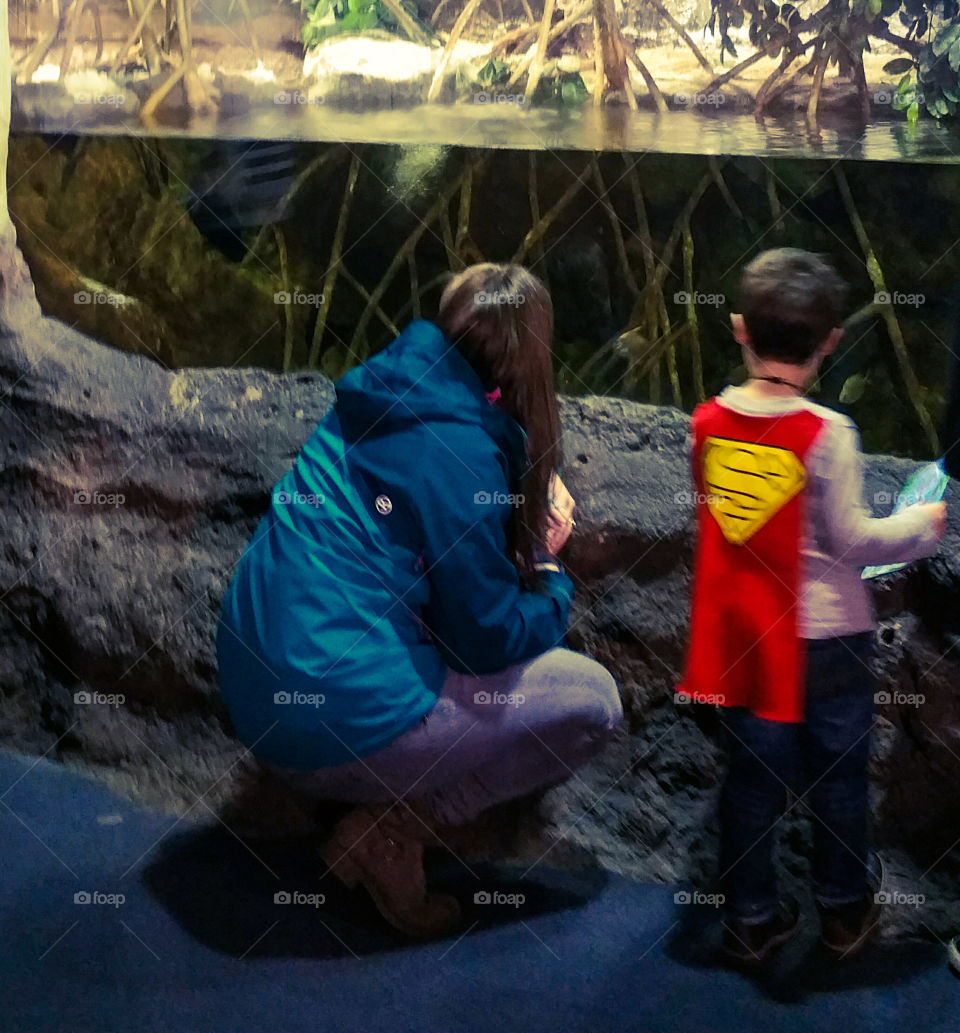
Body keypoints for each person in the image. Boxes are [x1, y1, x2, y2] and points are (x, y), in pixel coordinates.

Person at [216, 263, 622, 938]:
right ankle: (394, 831)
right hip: (327, 728)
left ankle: (379, 824)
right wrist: (550, 569)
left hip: (251, 698)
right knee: (594, 703)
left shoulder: (381, 388)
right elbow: (484, 637)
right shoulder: (462, 451)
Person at [677, 248, 947, 965]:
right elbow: (855, 539)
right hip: (829, 642)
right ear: (832, 339)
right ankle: (842, 913)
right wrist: (923, 527)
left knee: (752, 782)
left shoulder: (706, 420)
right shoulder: (829, 432)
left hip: (745, 645)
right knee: (837, 782)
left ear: (738, 328)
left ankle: (751, 916)